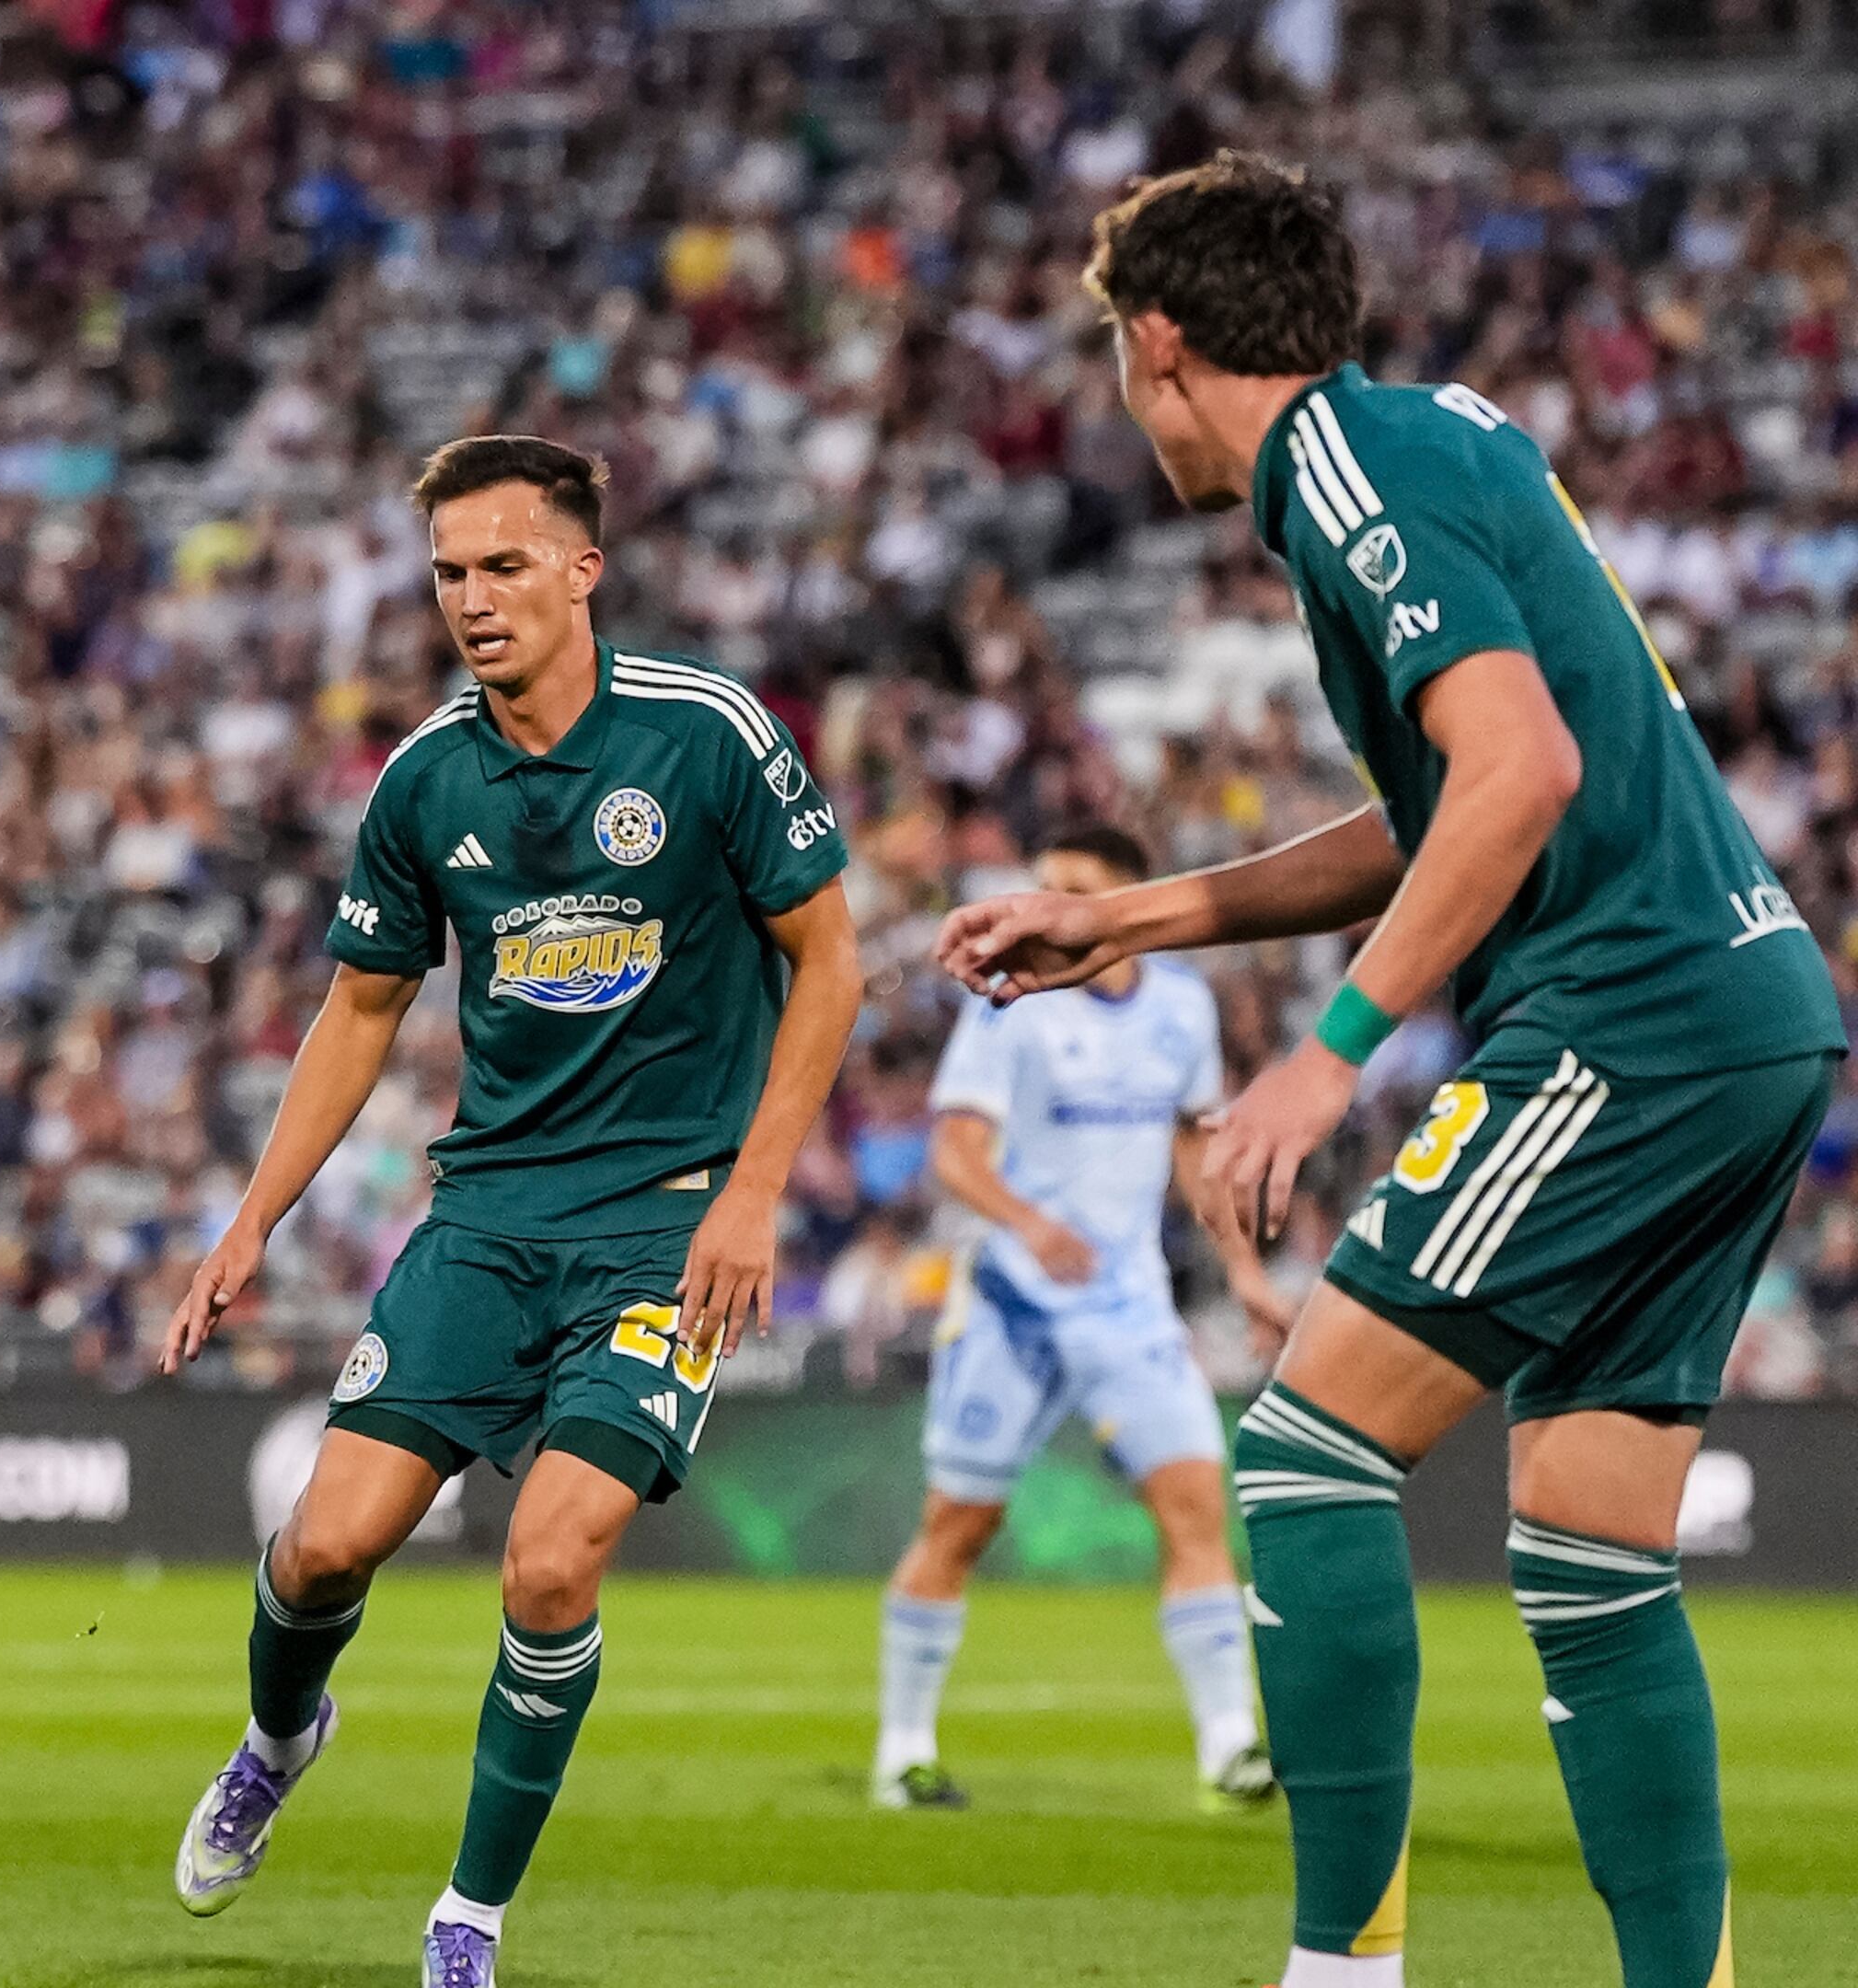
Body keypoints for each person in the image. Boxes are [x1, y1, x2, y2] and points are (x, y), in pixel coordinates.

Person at [939, 154, 1841, 1988]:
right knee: (1592, 1570)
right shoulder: (1429, 440)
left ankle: (1340, 1970)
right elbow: (1449, 800)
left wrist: (1323, 1063)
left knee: (1307, 1457)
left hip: (1630, 1014)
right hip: (1748, 1013)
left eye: (1119, 358)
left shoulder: (1351, 478)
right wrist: (1142, 920)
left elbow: (1517, 781)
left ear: (1160, 342)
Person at [160, 435, 863, 1988]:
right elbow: (358, 1010)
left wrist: (753, 1195)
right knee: (323, 1549)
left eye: (502, 566)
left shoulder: (706, 735)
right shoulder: (425, 781)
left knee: (551, 1566)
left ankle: (467, 1921)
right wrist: (252, 1220)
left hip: (665, 1226)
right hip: (485, 1221)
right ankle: (281, 1738)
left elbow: (832, 959)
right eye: (448, 575)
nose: (472, 601)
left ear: (580, 570)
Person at [873, 823, 1287, 1812]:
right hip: (1013, 1299)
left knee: (1193, 1512)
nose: (1045, 904)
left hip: (1130, 1301)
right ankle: (903, 1750)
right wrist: (1032, 1224)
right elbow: (956, 1153)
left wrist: (1243, 1274)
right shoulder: (1006, 1008)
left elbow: (1194, 1150)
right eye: (1042, 882)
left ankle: (1230, 1746)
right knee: (958, 1524)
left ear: (1129, 902)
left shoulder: (1183, 1009)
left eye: (1073, 887)